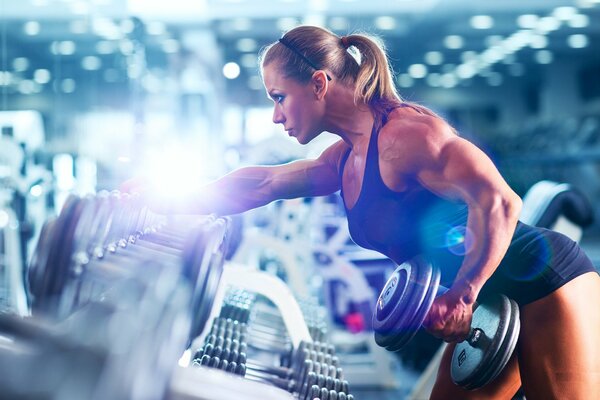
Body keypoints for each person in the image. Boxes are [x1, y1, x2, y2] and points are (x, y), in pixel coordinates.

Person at [124, 25, 600, 399]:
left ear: (318, 83)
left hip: (546, 285)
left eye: (278, 97)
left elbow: (499, 201)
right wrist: (167, 200)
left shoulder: (407, 136)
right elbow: (265, 182)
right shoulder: (347, 157)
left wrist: (463, 293)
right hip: (492, 304)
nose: (275, 115)